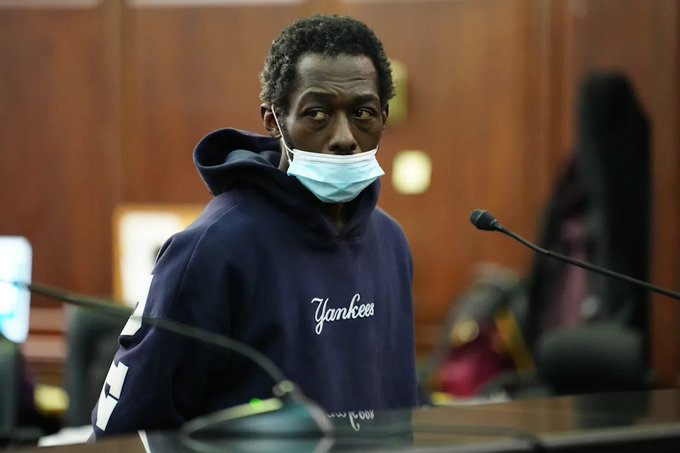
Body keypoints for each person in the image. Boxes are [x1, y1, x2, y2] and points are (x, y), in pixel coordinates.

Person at [92, 14, 418, 437]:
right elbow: (125, 431)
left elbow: (400, 405)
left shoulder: (390, 241)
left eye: (362, 113)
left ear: (384, 117)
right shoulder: (212, 248)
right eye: (318, 113)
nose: (344, 137)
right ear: (272, 120)